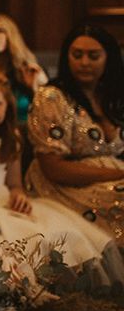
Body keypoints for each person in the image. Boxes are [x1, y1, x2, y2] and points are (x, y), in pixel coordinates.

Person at [0, 68, 124, 279]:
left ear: (7, 104)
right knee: (13, 248)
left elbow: (14, 183)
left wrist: (18, 194)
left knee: (63, 235)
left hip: (6, 202)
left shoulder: (12, 134)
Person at [25, 24, 124, 244]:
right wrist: (116, 174)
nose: (84, 62)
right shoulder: (51, 97)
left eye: (93, 56)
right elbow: (53, 169)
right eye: (77, 55)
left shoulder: (113, 96)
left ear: (109, 58)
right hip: (62, 186)